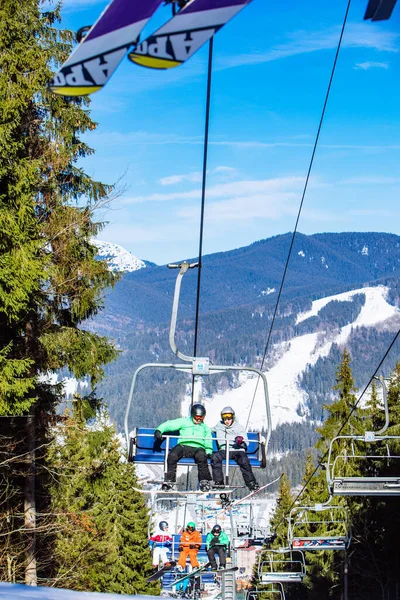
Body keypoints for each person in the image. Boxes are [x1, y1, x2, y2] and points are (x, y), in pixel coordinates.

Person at [155, 404, 213, 492]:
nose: (198, 420)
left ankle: (204, 481)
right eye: (197, 417)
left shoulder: (205, 428)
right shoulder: (184, 422)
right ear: (193, 415)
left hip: (198, 447)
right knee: (172, 455)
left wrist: (208, 451)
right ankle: (169, 480)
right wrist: (159, 430)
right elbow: (170, 424)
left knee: (202, 456)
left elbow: (208, 439)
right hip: (183, 445)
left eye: (201, 418)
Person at [211, 406, 259, 491]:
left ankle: (251, 483)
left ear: (232, 418)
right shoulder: (219, 426)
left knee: (244, 461)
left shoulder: (239, 427)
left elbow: (245, 440)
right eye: (225, 419)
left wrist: (241, 442)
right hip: (225, 450)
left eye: (229, 418)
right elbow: (207, 430)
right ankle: (219, 482)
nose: (227, 421)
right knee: (215, 457)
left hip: (237, 450)